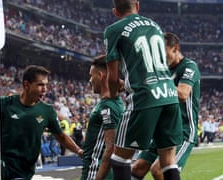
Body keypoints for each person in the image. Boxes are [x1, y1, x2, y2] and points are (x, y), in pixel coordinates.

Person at [104, 1, 183, 179]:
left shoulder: (113, 30)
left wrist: (114, 96)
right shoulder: (155, 25)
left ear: (115, 11)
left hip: (145, 96)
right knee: (169, 162)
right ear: (137, 6)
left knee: (120, 158)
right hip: (170, 94)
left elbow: (112, 77)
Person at [0, 65, 83, 180]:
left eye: (46, 85)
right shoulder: (4, 103)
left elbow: (61, 136)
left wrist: (79, 151)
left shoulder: (47, 111)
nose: (45, 89)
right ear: (27, 85)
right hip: (0, 159)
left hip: (25, 167)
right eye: (40, 85)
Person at [131, 32, 201, 180]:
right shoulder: (161, 70)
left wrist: (154, 83)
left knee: (159, 170)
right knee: (137, 168)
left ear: (175, 48)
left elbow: (182, 94)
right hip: (161, 129)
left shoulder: (189, 67)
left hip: (183, 130)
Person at [81, 55, 124, 180]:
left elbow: (111, 148)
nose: (89, 80)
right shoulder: (111, 102)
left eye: (91, 75)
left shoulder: (108, 106)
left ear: (100, 75)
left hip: (95, 171)